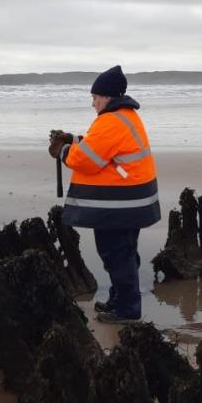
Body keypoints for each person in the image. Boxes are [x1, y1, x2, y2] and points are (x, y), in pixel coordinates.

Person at [48, 65, 160, 323]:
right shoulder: (125, 116)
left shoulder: (110, 121)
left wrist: (62, 151)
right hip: (134, 200)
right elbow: (99, 147)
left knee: (116, 254)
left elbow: (87, 160)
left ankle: (127, 310)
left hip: (120, 204)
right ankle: (119, 300)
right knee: (125, 252)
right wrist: (72, 139)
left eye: (95, 98)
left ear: (107, 97)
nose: (92, 103)